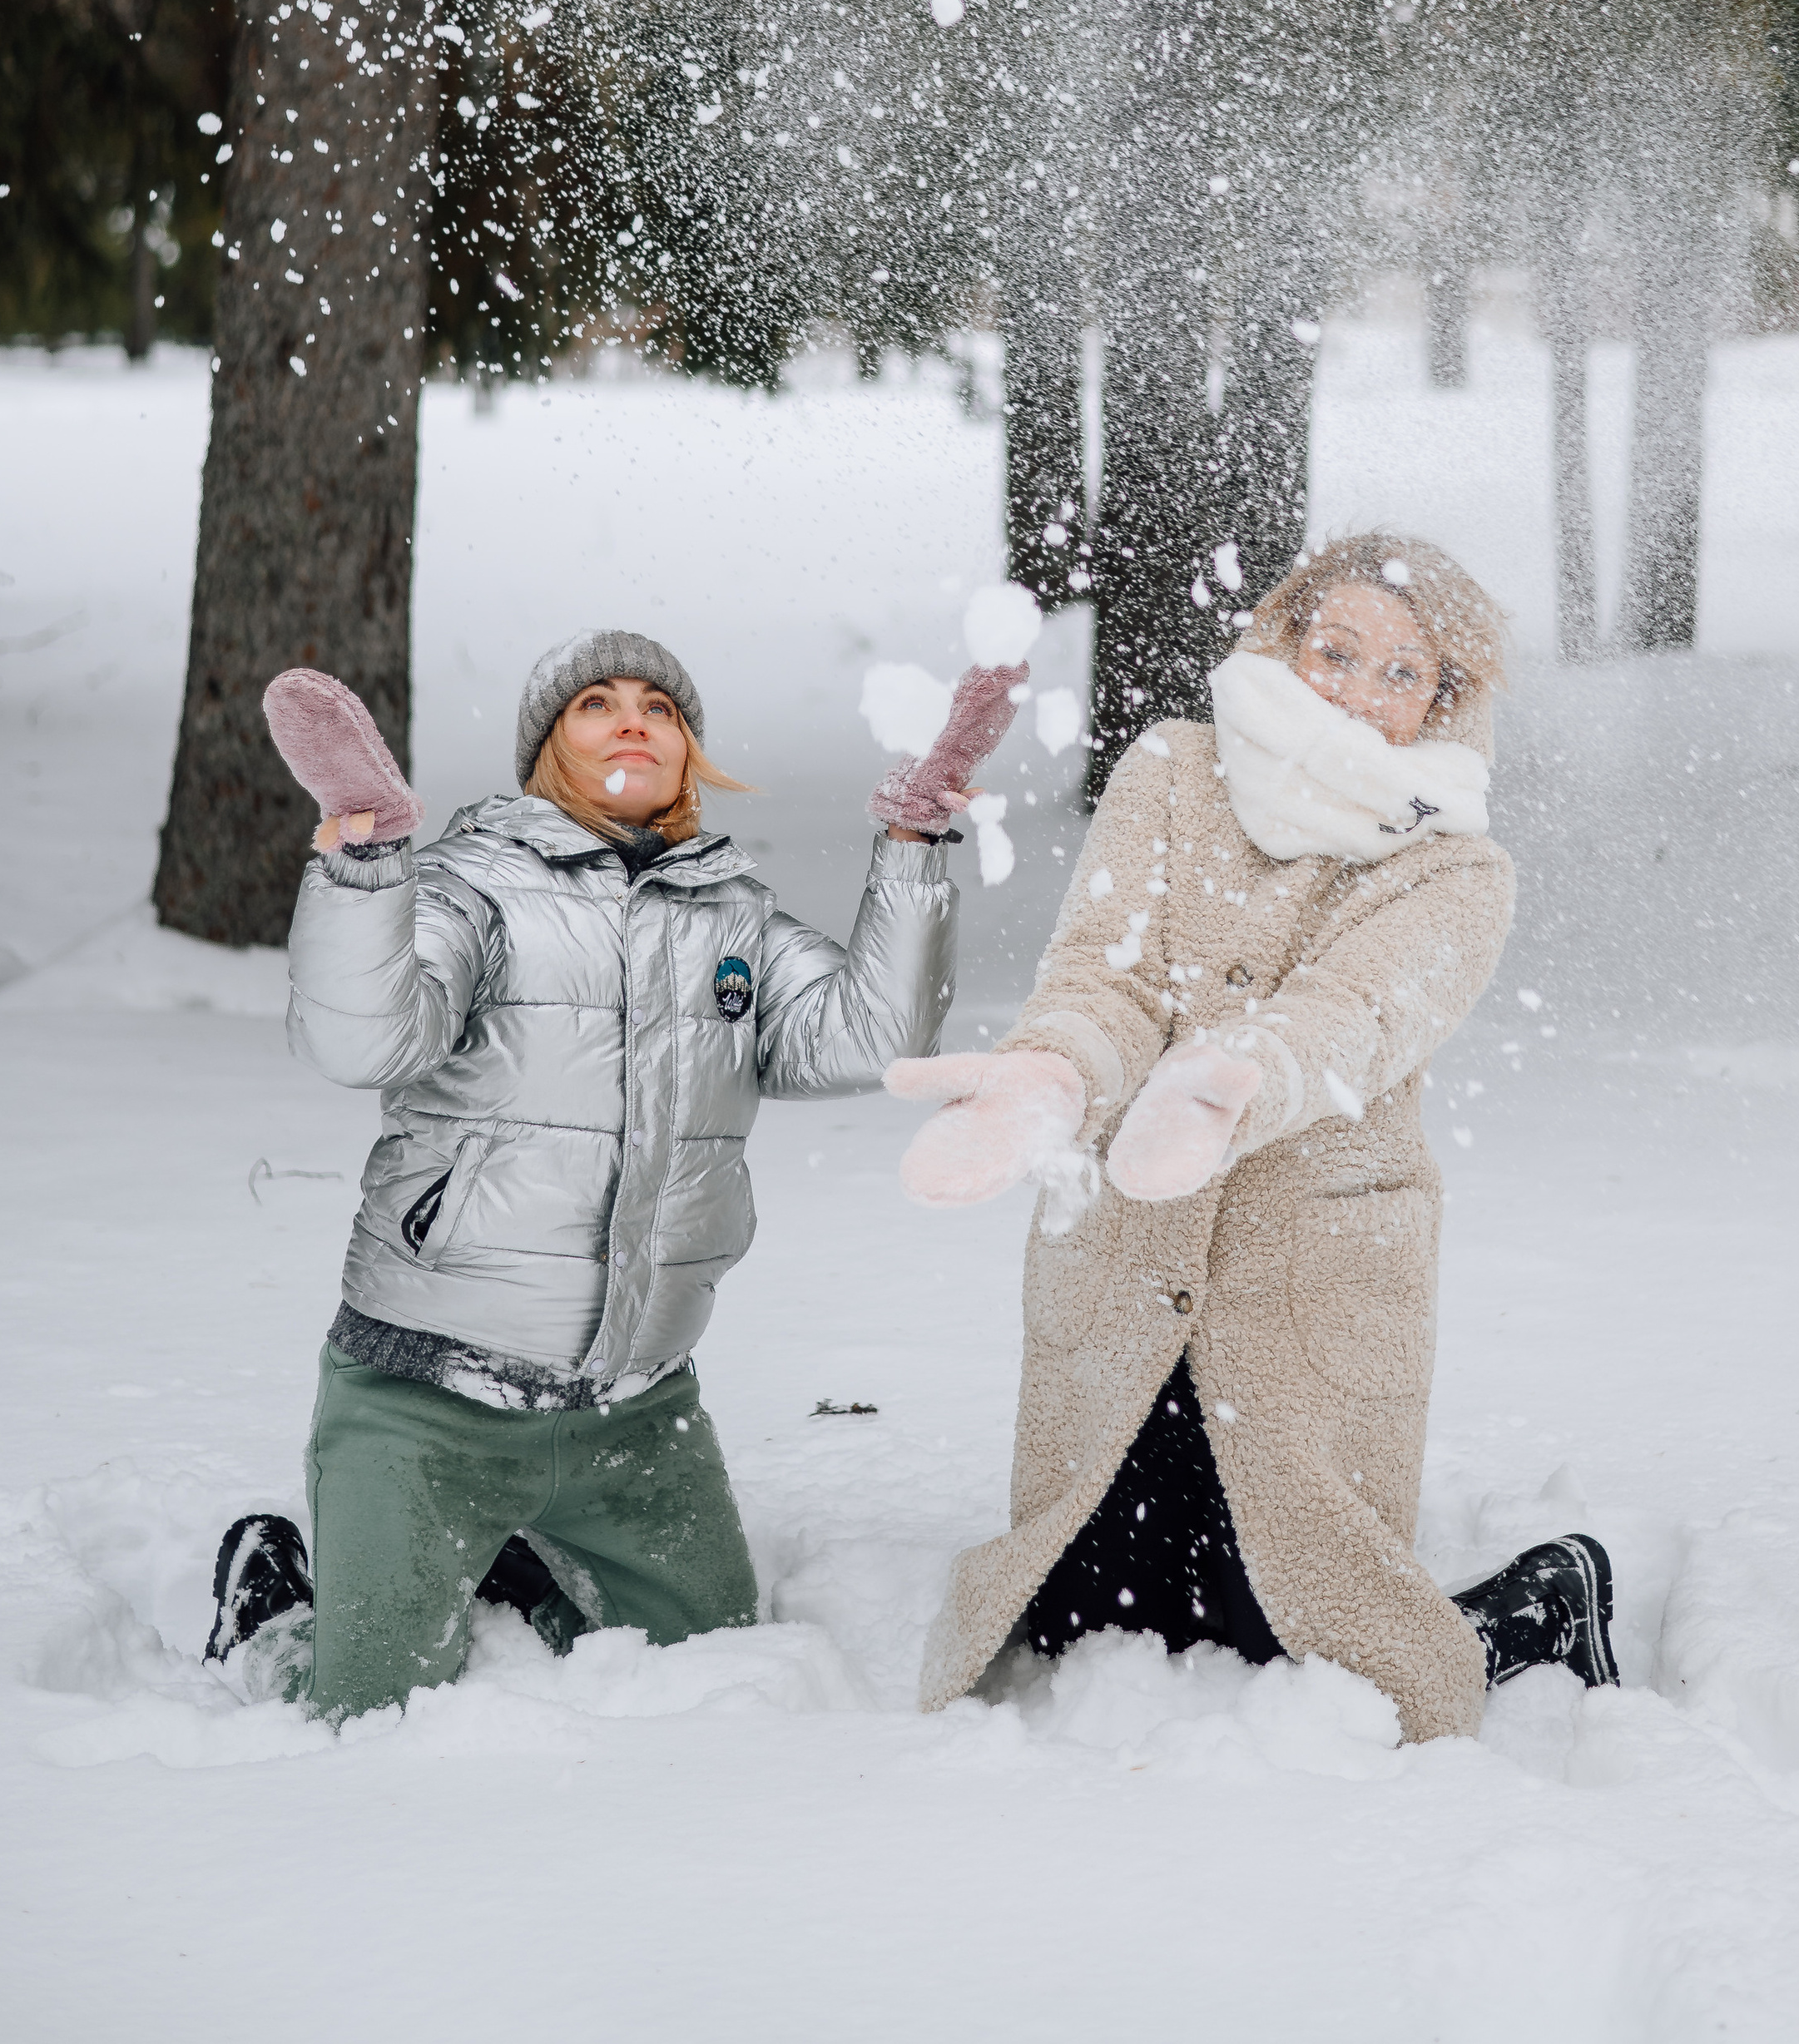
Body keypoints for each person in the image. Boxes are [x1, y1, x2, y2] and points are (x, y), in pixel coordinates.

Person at [206, 627, 1021, 1720]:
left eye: (660, 706)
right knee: (373, 1713)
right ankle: (272, 1612)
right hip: (425, 1402)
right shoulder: (467, 890)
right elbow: (362, 1041)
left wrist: (916, 839)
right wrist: (367, 866)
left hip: (639, 1416)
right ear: (548, 748)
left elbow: (876, 1036)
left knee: (722, 1673)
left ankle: (515, 1560)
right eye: (597, 702)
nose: (633, 717)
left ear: (688, 753)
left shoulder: (732, 916)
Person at [888, 534, 1618, 1741]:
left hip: (1305, 1296)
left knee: (1323, 1641)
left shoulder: (1458, 864)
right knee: (1082, 1613)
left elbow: (1349, 1022)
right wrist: (1053, 1073)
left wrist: (1229, 1081)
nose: (1357, 689)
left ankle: (1545, 1602)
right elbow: (1102, 977)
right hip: (1129, 1268)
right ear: (1283, 639)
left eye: (1402, 672)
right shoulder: (1173, 770)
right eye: (1336, 649)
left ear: (1446, 702)